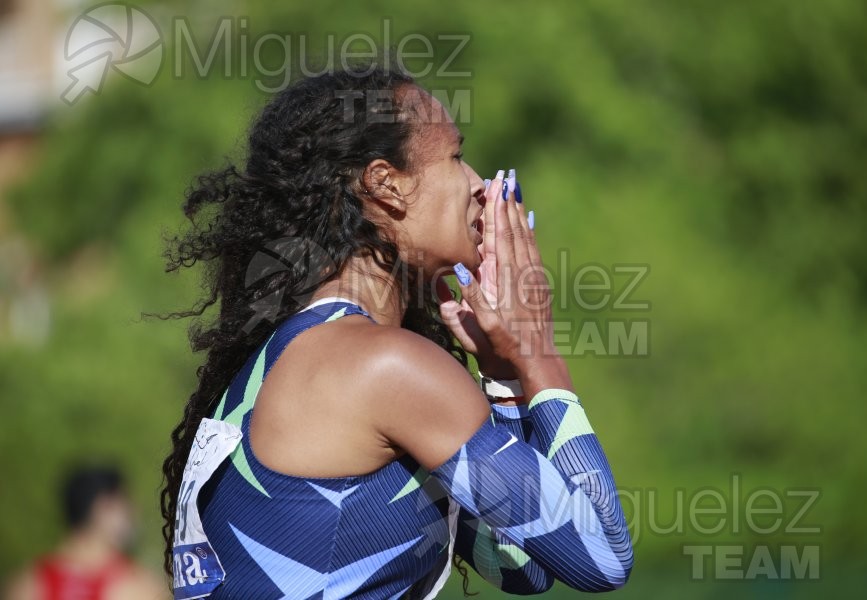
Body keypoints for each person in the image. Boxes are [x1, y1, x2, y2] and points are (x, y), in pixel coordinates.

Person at [159, 63, 634, 599]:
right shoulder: (383, 368)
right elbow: (601, 554)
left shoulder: (301, 350)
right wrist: (538, 354)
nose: (480, 184)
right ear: (386, 184)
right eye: (456, 157)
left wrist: (503, 378)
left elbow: (521, 565)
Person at [4, 465, 166, 600]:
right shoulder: (137, 588)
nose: (135, 512)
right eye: (126, 504)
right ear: (105, 506)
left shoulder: (26, 585)